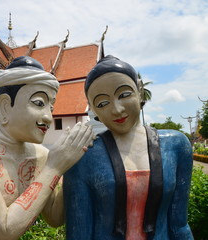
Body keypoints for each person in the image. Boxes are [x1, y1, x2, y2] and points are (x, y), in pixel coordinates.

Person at [0, 56, 94, 240]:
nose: (48, 117)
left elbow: (54, 217)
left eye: (51, 107)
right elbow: (5, 229)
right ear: (5, 107)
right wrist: (55, 167)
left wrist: (72, 161)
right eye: (38, 103)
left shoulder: (40, 155)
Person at [63, 55, 193, 240]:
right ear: (93, 109)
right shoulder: (84, 155)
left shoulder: (176, 145)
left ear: (140, 91)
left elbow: (179, 224)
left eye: (124, 95)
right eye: (102, 103)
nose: (116, 109)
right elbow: (78, 233)